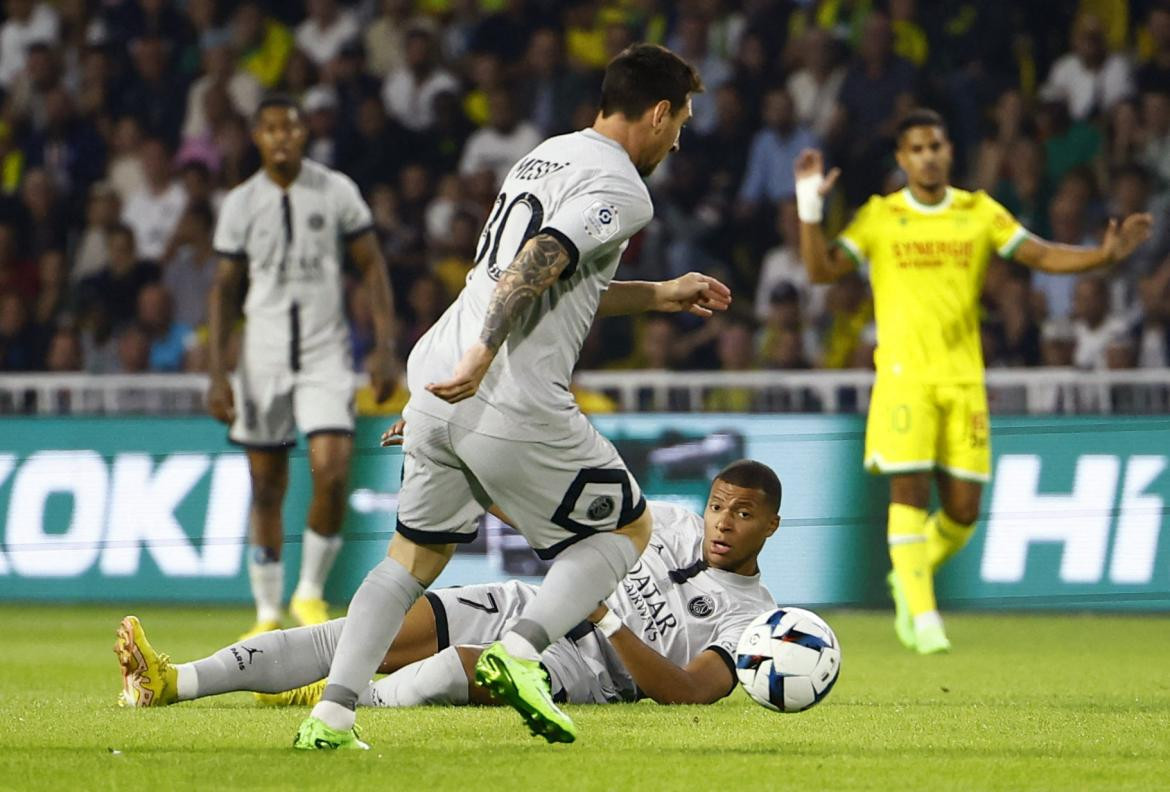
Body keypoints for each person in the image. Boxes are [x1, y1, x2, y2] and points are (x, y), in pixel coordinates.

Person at [296, 44, 723, 751]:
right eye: (679, 122)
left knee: (410, 561)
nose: (678, 139)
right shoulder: (625, 188)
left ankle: (332, 716)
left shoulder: (545, 155)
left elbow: (549, 278)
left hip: (437, 368)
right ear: (656, 112)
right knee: (627, 532)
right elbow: (542, 257)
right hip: (504, 386)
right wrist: (482, 355)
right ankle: (520, 652)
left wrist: (661, 295)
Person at [795, 108, 1152, 655]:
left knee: (963, 512)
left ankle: (907, 574)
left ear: (949, 152)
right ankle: (923, 613)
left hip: (963, 380)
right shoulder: (880, 217)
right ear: (901, 158)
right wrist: (810, 208)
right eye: (916, 148)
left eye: (935, 145)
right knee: (908, 490)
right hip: (903, 378)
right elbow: (821, 272)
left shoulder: (978, 212)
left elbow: (1040, 254)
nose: (928, 156)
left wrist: (1102, 256)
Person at [114, 459, 781, 712]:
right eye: (720, 504)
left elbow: (690, 692)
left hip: (581, 663)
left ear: (772, 526)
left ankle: (349, 699)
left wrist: (603, 615)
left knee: (451, 670)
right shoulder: (663, 518)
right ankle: (174, 681)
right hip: (529, 606)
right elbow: (558, 531)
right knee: (361, 632)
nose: (723, 522)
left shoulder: (752, 617)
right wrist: (461, 470)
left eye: (743, 512)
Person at [207, 95, 398, 640]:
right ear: (257, 138)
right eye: (271, 130)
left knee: (333, 469)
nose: (282, 139)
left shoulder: (335, 190)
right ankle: (266, 612)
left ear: (302, 135)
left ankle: (308, 592)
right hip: (261, 355)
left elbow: (371, 266)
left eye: (290, 129)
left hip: (324, 352)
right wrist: (218, 374)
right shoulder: (241, 203)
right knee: (266, 486)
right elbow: (223, 291)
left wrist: (384, 347)